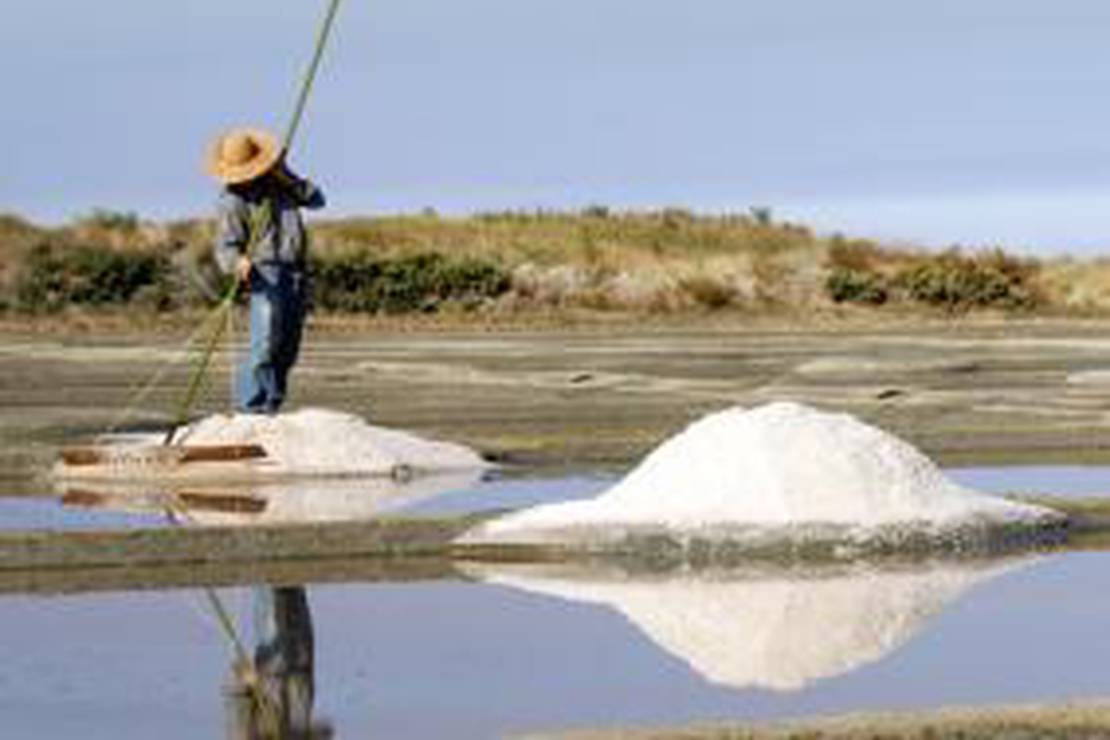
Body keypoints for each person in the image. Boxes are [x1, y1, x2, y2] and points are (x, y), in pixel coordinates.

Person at [206, 127, 326, 414]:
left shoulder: (281, 185)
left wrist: (286, 174)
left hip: (295, 271)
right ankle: (251, 407)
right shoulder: (232, 200)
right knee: (265, 344)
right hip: (264, 273)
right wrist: (237, 262)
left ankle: (272, 403)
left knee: (287, 346)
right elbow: (226, 245)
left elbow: (317, 200)